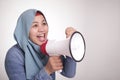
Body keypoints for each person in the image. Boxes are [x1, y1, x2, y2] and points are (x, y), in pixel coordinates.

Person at [5, 9, 76, 80]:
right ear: (25, 29)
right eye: (35, 25)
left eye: (44, 23)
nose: (42, 29)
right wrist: (47, 70)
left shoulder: (50, 47)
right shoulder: (14, 55)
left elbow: (69, 73)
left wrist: (70, 44)